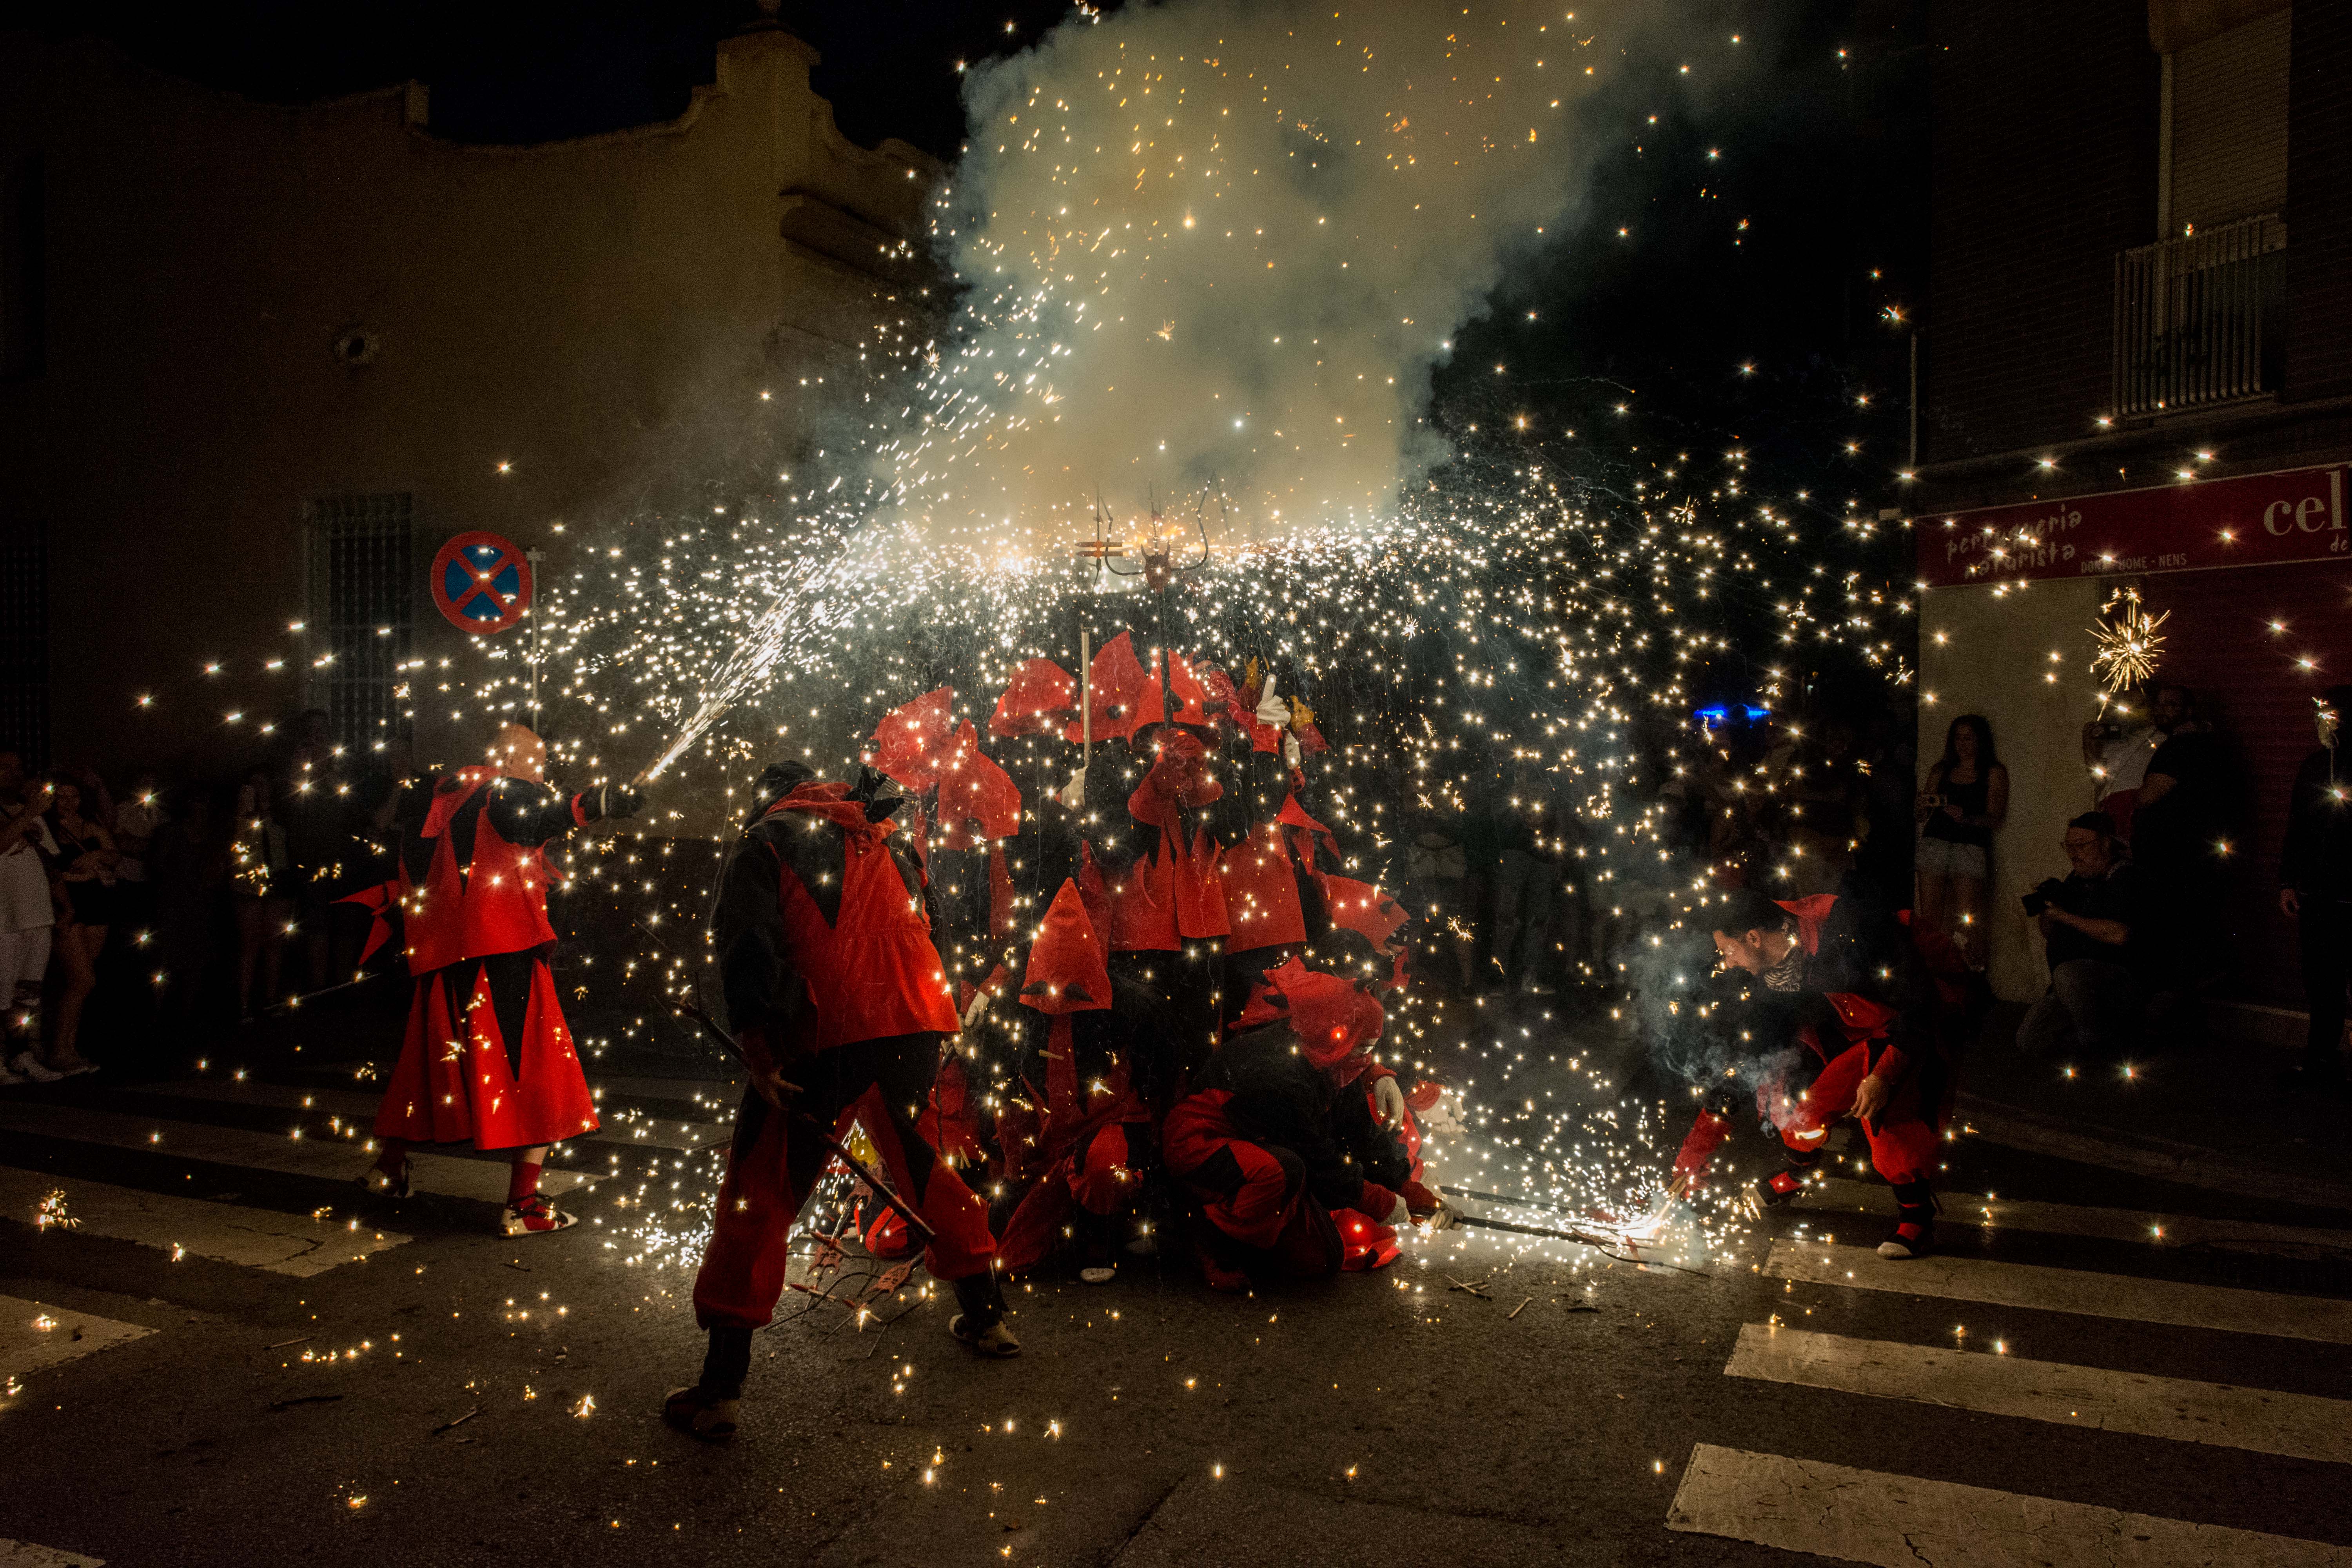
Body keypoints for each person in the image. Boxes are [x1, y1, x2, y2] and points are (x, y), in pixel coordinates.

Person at [666, 760, 1014, 1446]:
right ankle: (988, 1316)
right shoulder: (879, 831)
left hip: (830, 1029)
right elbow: (933, 931)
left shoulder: (765, 837)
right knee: (921, 1169)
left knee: (759, 1188)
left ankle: (719, 1391)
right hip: (915, 1021)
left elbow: (748, 948)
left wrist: (762, 1053)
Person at [352, 724, 642, 1235]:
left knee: (424, 1074)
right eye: (542, 761)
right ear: (519, 760)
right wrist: (599, 801)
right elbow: (540, 813)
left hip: (439, 964)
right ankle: (524, 1206)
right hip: (502, 956)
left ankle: (389, 1171)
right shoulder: (502, 789)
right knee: (538, 1074)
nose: (544, 773)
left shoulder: (439, 798)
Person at [1682, 886, 1963, 1259]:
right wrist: (1693, 1154)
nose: (1726, 963)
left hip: (1916, 1029)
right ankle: (1799, 1174)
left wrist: (1882, 1075)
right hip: (1855, 1034)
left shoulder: (1852, 927)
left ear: (1753, 937)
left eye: (1726, 950)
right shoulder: (1772, 982)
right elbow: (1748, 1061)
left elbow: (1919, 1003)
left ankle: (1918, 1219)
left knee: (1888, 1119)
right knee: (1796, 1105)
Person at [1163, 956, 1435, 1289]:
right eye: (1362, 1048)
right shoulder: (1282, 1075)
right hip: (1203, 1144)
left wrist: (1407, 1187)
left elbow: (1360, 1134)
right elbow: (1320, 1163)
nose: (1366, 1061)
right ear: (1339, 1037)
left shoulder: (1331, 1060)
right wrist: (1385, 1204)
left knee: (1321, 1261)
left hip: (1263, 1146)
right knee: (1283, 1170)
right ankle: (1208, 1237)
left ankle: (1248, 1242)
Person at [2014, 812, 2148, 1065]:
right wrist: (2048, 914)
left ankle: (2099, 1042)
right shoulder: (2076, 880)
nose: (2075, 853)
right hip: (2073, 986)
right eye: (2069, 846)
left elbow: (2119, 934)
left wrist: (2064, 917)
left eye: (2083, 846)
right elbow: (2053, 935)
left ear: (2106, 844)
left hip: (2117, 980)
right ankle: (2099, 1047)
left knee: (2068, 975)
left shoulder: (2126, 877)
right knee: (2030, 1040)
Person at [2279, 685, 2352, 1095]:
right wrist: (2288, 880)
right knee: (2321, 984)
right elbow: (2298, 827)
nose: (2322, 723)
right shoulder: (2314, 766)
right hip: (2319, 897)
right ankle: (2321, 1061)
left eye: (2331, 715)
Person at [1915, 714, 2006, 969]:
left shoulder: (1992, 772)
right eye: (1957, 737)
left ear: (1981, 740)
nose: (1962, 744)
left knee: (1967, 919)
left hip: (1970, 846)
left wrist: (1967, 819)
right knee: (1930, 918)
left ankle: (1968, 975)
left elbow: (1996, 816)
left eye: (1968, 738)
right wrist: (1922, 805)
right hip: (1935, 843)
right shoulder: (1941, 770)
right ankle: (1931, 973)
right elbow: (1922, 814)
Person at [40, 776, 117, 1076]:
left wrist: (99, 854)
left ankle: (69, 1048)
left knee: (81, 981)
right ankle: (58, 1050)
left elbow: (114, 854)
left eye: (74, 797)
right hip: (68, 906)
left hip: (97, 905)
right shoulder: (47, 830)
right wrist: (78, 878)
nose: (69, 803)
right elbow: (47, 872)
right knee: (82, 979)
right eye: (62, 797)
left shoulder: (90, 826)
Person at [0, 754, 60, 1085]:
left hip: (36, 911)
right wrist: (28, 814)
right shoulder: (27, 811)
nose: (14, 772)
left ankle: (21, 1055)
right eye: (5, 767)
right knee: (1, 990)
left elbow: (49, 858)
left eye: (17, 767)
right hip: (4, 914)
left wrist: (62, 903)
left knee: (28, 991)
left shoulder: (27, 807)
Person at [231, 771, 294, 1019]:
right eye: (254, 783)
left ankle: (271, 998)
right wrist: (246, 809)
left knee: (275, 941)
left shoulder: (281, 811)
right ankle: (244, 1003)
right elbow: (241, 842)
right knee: (249, 944)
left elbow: (285, 843)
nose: (259, 788)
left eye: (264, 782)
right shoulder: (242, 816)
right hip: (249, 884)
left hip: (278, 881)